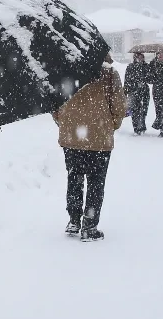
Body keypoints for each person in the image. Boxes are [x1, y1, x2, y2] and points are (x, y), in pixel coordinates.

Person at [52, 57, 126, 240]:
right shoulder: (109, 73)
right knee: (96, 181)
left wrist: (64, 123)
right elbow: (119, 105)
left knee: (74, 177)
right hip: (99, 138)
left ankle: (74, 221)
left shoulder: (64, 71)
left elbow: (53, 104)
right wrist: (110, 125)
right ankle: (89, 226)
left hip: (71, 137)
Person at [123, 52, 152, 135]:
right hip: (134, 92)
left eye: (142, 57)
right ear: (135, 58)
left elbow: (150, 79)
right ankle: (136, 128)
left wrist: (145, 78)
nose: (140, 59)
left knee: (144, 110)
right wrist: (127, 91)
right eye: (138, 57)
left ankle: (142, 125)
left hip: (144, 91)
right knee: (135, 110)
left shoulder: (146, 66)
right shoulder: (130, 67)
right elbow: (127, 80)